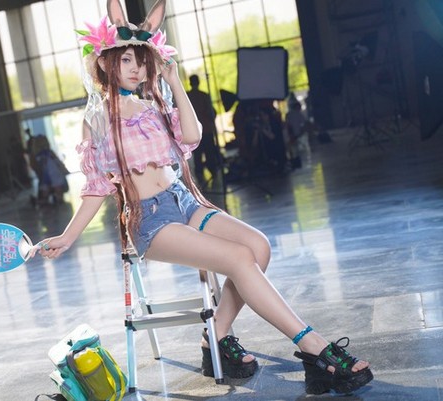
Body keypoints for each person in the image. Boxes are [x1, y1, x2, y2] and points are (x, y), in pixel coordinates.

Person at [30, 0, 372, 394]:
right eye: (126, 60)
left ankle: (216, 337)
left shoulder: (153, 105)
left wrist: (173, 81)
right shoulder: (97, 119)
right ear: (106, 62)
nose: (136, 69)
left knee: (258, 247)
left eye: (141, 61)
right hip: (151, 219)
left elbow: (192, 136)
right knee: (239, 258)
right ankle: (314, 347)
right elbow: (96, 188)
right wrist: (68, 236)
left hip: (184, 200)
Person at [186, 74, 220, 184]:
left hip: (194, 131)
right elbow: (212, 112)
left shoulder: (187, 97)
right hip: (206, 129)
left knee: (197, 154)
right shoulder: (204, 96)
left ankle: (199, 174)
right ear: (198, 82)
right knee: (210, 152)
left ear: (190, 83)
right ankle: (213, 172)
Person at [32, 135, 69, 205]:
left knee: (47, 191)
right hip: (55, 175)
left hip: (49, 177)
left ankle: (49, 199)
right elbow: (58, 162)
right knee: (57, 192)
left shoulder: (39, 156)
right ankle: (56, 198)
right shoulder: (49, 153)